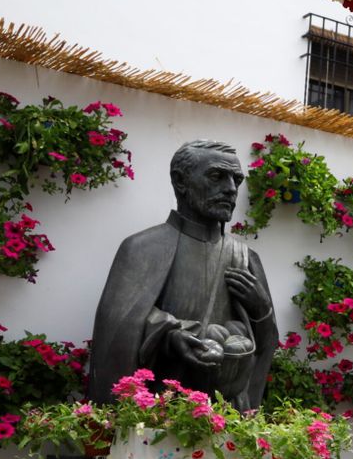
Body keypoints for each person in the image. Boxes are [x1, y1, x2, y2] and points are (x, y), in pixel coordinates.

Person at [88, 140, 278, 408]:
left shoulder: (245, 258)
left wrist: (262, 311)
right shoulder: (143, 248)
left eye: (237, 180)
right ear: (180, 181)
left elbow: (265, 344)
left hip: (225, 416)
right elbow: (118, 329)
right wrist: (170, 334)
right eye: (217, 176)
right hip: (157, 413)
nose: (231, 189)